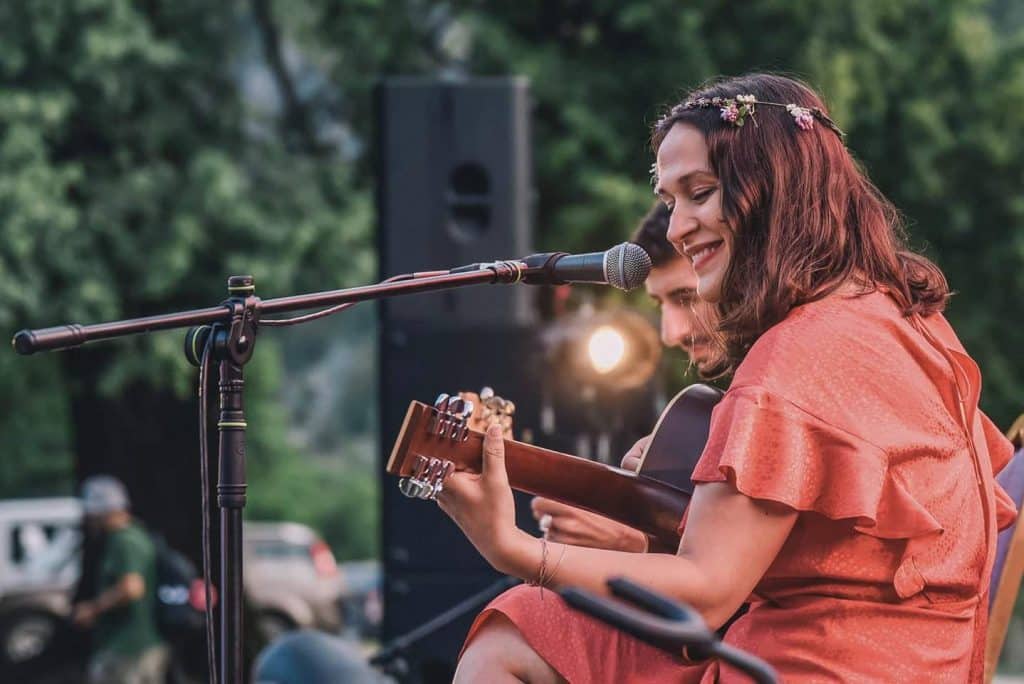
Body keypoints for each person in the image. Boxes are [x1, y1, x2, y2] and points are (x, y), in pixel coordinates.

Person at [434, 73, 1018, 682]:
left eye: (701, 192)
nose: (679, 227)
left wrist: (515, 547)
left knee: (519, 623)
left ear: (776, 191)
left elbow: (707, 589)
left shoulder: (797, 352)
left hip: (807, 667)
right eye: (669, 201)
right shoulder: (909, 323)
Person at [531, 201, 717, 553]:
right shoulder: (714, 410)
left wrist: (633, 541)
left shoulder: (784, 382)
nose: (669, 334)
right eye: (661, 304)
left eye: (685, 297)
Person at [71, 475, 168, 684]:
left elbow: (131, 588)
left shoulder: (124, 541)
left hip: (128, 648)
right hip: (131, 646)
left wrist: (92, 609)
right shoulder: (133, 535)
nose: (89, 518)